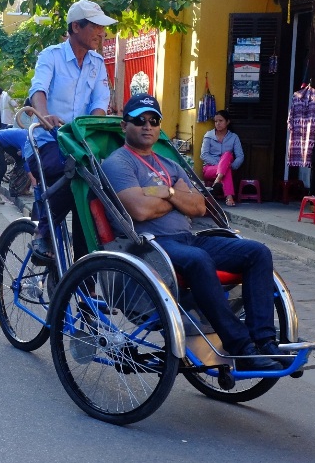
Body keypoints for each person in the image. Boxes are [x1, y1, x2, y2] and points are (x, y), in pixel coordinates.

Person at [102, 94, 283, 371]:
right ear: (124, 126)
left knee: (257, 252)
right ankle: (240, 345)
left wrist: (167, 193)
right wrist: (177, 199)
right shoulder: (119, 163)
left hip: (187, 238)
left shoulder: (170, 164)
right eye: (139, 121)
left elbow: (198, 207)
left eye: (153, 120)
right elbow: (139, 211)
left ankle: (265, 341)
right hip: (149, 245)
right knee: (198, 258)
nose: (147, 126)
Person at [27, 0, 114, 260]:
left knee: (97, 189)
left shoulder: (97, 63)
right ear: (76, 27)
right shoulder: (51, 55)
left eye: (103, 27)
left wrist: (93, 129)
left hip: (80, 146)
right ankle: (43, 232)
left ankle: (85, 279)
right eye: (96, 27)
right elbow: (38, 89)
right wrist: (43, 115)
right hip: (47, 143)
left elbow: (100, 102)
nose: (102, 33)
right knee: (77, 168)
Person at [200, 110, 244, 207]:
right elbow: (204, 155)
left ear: (227, 122)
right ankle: (229, 197)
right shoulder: (209, 136)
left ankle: (218, 181)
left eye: (221, 121)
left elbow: (240, 156)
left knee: (227, 154)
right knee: (225, 168)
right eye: (216, 121)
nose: (218, 123)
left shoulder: (233, 137)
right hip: (209, 169)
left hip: (228, 168)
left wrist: (231, 166)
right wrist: (222, 165)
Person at [0, 127, 28, 204]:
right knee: (3, 168)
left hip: (6, 142)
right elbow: (26, 160)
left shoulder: (29, 136)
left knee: (19, 160)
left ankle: (17, 186)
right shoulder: (26, 139)